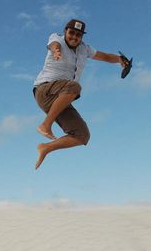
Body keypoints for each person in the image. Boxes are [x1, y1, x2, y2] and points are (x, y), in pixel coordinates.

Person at [33, 19, 129, 170]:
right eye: (71, 33)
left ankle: (45, 148)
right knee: (74, 87)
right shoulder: (57, 38)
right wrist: (56, 51)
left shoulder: (85, 48)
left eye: (78, 35)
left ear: (82, 37)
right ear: (65, 31)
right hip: (45, 90)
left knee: (82, 135)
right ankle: (46, 124)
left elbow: (104, 56)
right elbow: (54, 45)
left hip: (61, 98)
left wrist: (119, 60)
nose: (74, 37)